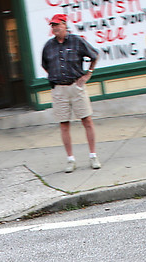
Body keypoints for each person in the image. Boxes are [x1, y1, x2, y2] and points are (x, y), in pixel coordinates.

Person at [41, 13, 101, 173]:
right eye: (52, 25)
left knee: (87, 120)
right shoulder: (49, 46)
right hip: (59, 89)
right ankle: (70, 159)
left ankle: (93, 155)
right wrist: (56, 76)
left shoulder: (76, 41)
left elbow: (94, 55)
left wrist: (88, 73)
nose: (54, 28)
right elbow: (45, 65)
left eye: (57, 25)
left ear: (64, 25)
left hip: (76, 86)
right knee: (64, 124)